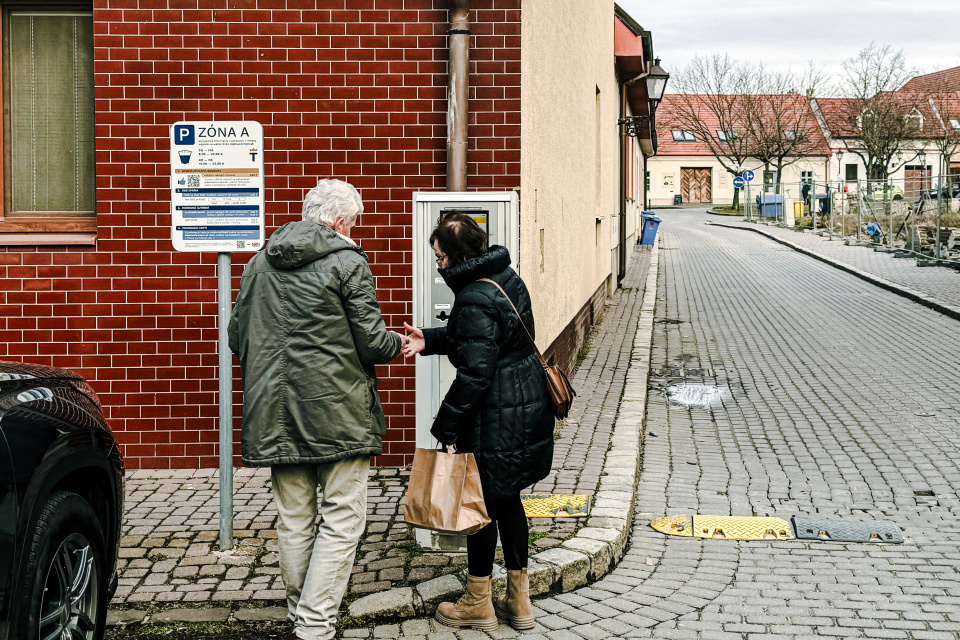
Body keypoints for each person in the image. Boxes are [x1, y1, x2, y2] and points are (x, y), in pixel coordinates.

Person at [227, 179, 404, 640]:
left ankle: (299, 614)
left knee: (294, 518)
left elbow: (236, 337)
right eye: (356, 223)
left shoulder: (257, 263)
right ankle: (315, 623)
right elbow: (371, 341)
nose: (356, 231)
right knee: (344, 518)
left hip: (275, 412)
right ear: (342, 222)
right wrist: (399, 343)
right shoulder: (347, 262)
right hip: (338, 410)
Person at [402, 212, 555, 632]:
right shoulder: (504, 276)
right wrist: (428, 339)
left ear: (454, 256)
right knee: (507, 501)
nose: (437, 263)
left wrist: (445, 426)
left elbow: (475, 372)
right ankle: (519, 602)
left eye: (439, 256)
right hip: (523, 405)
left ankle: (477, 602)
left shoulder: (471, 296)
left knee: (480, 507)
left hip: (494, 416)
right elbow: (486, 338)